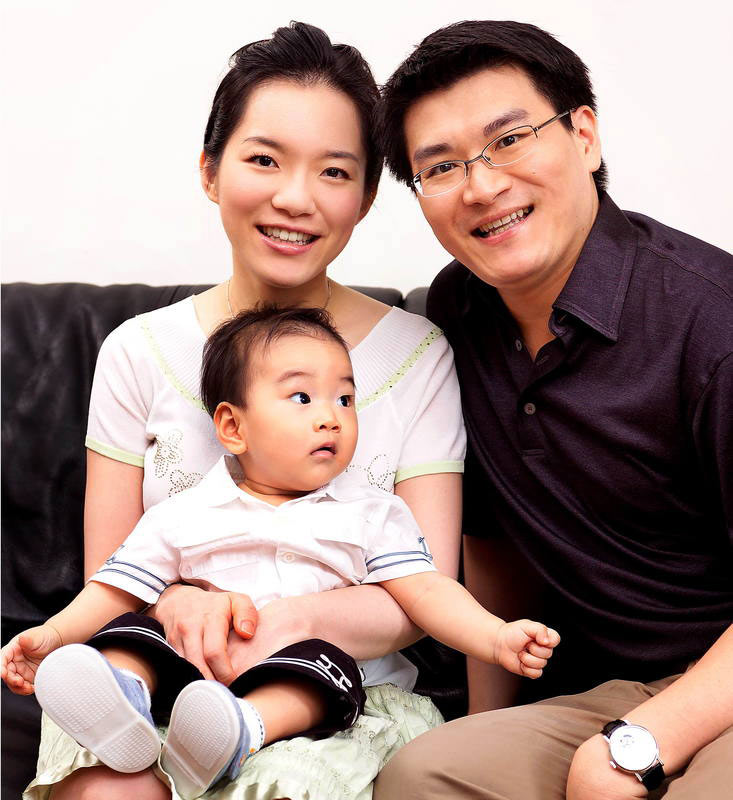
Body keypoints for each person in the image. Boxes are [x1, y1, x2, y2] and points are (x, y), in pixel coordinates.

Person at [23, 21, 467, 800]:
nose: (294, 198)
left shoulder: (416, 353)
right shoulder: (137, 351)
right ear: (210, 170)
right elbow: (113, 571)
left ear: (365, 197)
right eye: (263, 159)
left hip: (334, 693)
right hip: (154, 667)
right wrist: (180, 605)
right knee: (112, 786)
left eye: (334, 172)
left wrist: (276, 622)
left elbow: (418, 598)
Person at [374, 19, 733, 800]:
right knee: (423, 774)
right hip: (607, 691)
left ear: (584, 136)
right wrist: (483, 722)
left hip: (719, 683)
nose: (480, 186)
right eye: (440, 167)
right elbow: (494, 540)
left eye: (508, 140)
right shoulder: (459, 308)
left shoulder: (712, 322)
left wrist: (639, 748)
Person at [3, 305, 560, 800]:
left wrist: (495, 638)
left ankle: (244, 727)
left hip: (304, 683)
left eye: (345, 398)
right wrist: (53, 635)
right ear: (233, 426)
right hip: (190, 676)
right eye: (302, 397)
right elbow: (114, 588)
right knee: (134, 632)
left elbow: (428, 590)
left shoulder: (372, 513)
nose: (331, 415)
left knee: (321, 667)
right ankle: (123, 701)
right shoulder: (183, 514)